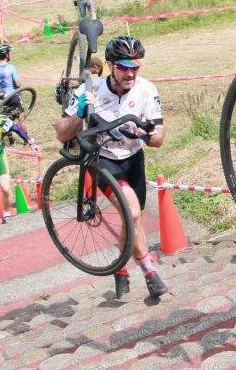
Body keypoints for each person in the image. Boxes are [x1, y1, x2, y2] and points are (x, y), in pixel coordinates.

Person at [54, 35, 168, 299]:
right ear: (109, 64)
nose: (130, 73)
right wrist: (79, 114)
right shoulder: (89, 90)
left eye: (135, 67)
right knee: (132, 212)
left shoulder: (146, 89)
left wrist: (146, 134)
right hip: (102, 159)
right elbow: (62, 133)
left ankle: (120, 269)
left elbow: (159, 137)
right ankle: (150, 272)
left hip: (133, 159)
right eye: (124, 67)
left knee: (133, 219)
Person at [0, 96, 40, 224]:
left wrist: (30, 142)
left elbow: (17, 128)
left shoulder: (1, 120)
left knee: (6, 188)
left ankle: (6, 216)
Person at [0, 44, 21, 121]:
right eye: (9, 52)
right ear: (6, 54)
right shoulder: (11, 67)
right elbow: (18, 84)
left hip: (4, 97)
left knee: (6, 120)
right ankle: (25, 133)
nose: (10, 54)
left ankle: (8, 133)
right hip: (14, 95)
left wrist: (1, 83)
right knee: (21, 116)